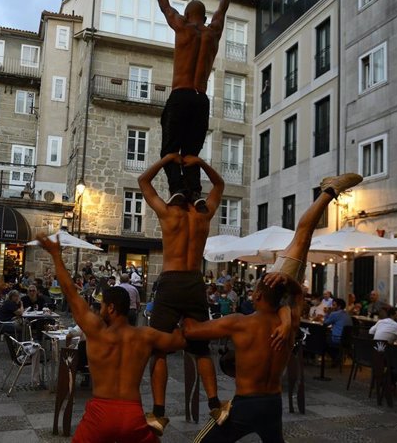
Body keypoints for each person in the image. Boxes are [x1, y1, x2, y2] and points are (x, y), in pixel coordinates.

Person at [183, 171, 363, 443]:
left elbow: (191, 330)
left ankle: (329, 191)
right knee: (303, 236)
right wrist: (288, 298)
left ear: (257, 296)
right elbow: (297, 298)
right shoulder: (286, 322)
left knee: (303, 235)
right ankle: (327, 192)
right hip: (272, 402)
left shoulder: (244, 322)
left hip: (247, 403)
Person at [37, 233, 186, 443]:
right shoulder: (145, 335)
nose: (100, 308)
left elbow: (70, 292)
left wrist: (55, 255)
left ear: (112, 308)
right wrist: (182, 317)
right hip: (132, 414)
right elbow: (180, 341)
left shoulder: (97, 332)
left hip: (101, 413)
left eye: (103, 305)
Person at [138, 154, 226, 433]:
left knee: (159, 350)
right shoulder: (204, 214)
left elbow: (143, 181)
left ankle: (159, 413)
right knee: (200, 348)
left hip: (171, 281)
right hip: (194, 281)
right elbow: (220, 184)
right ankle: (215, 404)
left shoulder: (167, 212)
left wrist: (166, 159)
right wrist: (200, 163)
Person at [155, 0, 233, 210]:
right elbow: (223, 7)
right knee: (191, 152)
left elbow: (164, 5)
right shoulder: (213, 31)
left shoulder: (182, 26)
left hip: (180, 95)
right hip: (201, 98)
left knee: (169, 150)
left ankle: (177, 189)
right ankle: (196, 193)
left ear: (187, 14)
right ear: (206, 17)